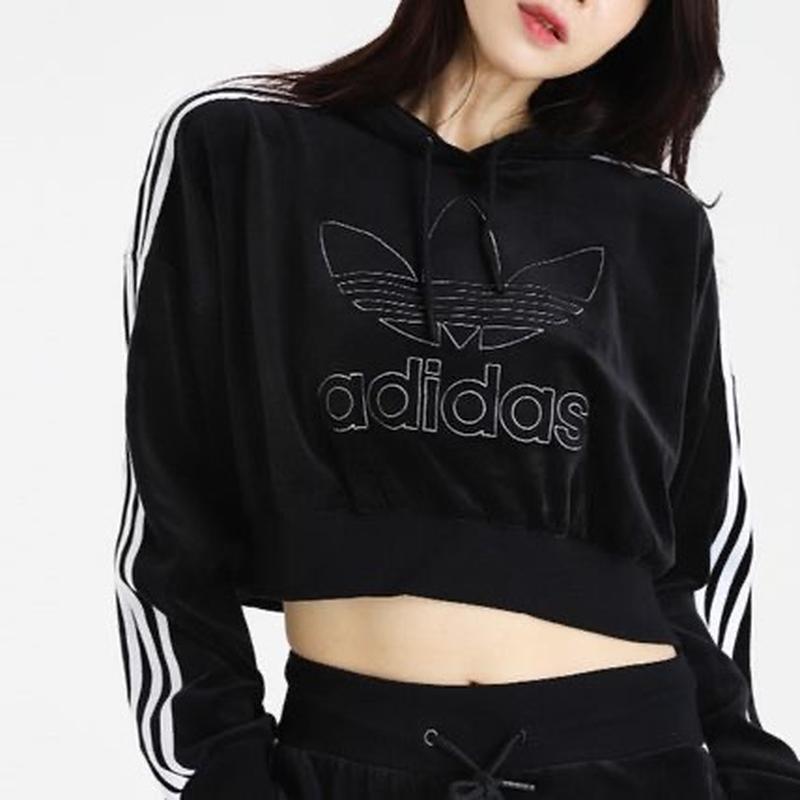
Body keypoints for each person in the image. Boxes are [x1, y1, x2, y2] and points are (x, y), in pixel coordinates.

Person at [114, 1, 800, 797]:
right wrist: (224, 768)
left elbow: (697, 551)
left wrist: (754, 776)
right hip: (352, 756)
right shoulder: (243, 146)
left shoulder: (654, 220)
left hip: (636, 752)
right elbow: (170, 509)